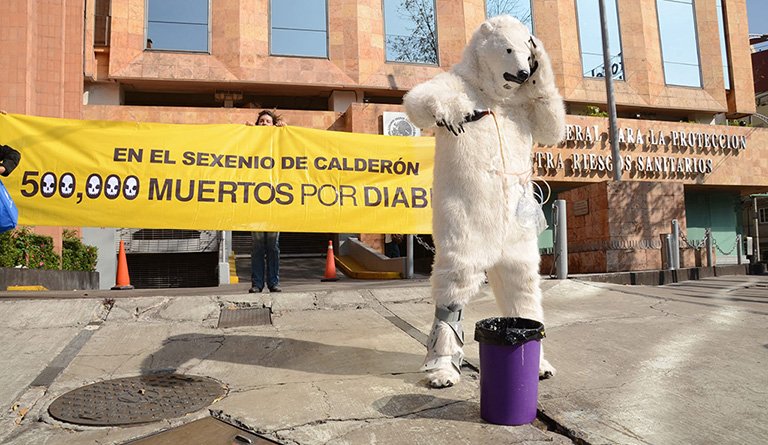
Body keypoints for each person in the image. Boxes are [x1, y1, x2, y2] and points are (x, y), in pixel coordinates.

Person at [248, 110, 283, 293]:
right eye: (261, 121)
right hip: (256, 201)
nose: (264, 124)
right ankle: (257, 283)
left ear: (273, 125)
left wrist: (285, 132)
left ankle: (273, 282)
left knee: (273, 246)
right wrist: (246, 133)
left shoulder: (279, 140)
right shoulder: (251, 140)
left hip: (275, 201)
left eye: (267, 121)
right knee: (258, 246)